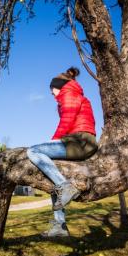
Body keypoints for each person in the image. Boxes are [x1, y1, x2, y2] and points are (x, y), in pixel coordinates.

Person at [27, 67, 98, 237]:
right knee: (53, 178)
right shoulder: (74, 94)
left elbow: (67, 121)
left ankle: (66, 186)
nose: (53, 96)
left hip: (80, 141)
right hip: (79, 141)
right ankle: (59, 226)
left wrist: (53, 140)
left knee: (33, 151)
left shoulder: (68, 94)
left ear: (58, 86)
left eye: (52, 92)